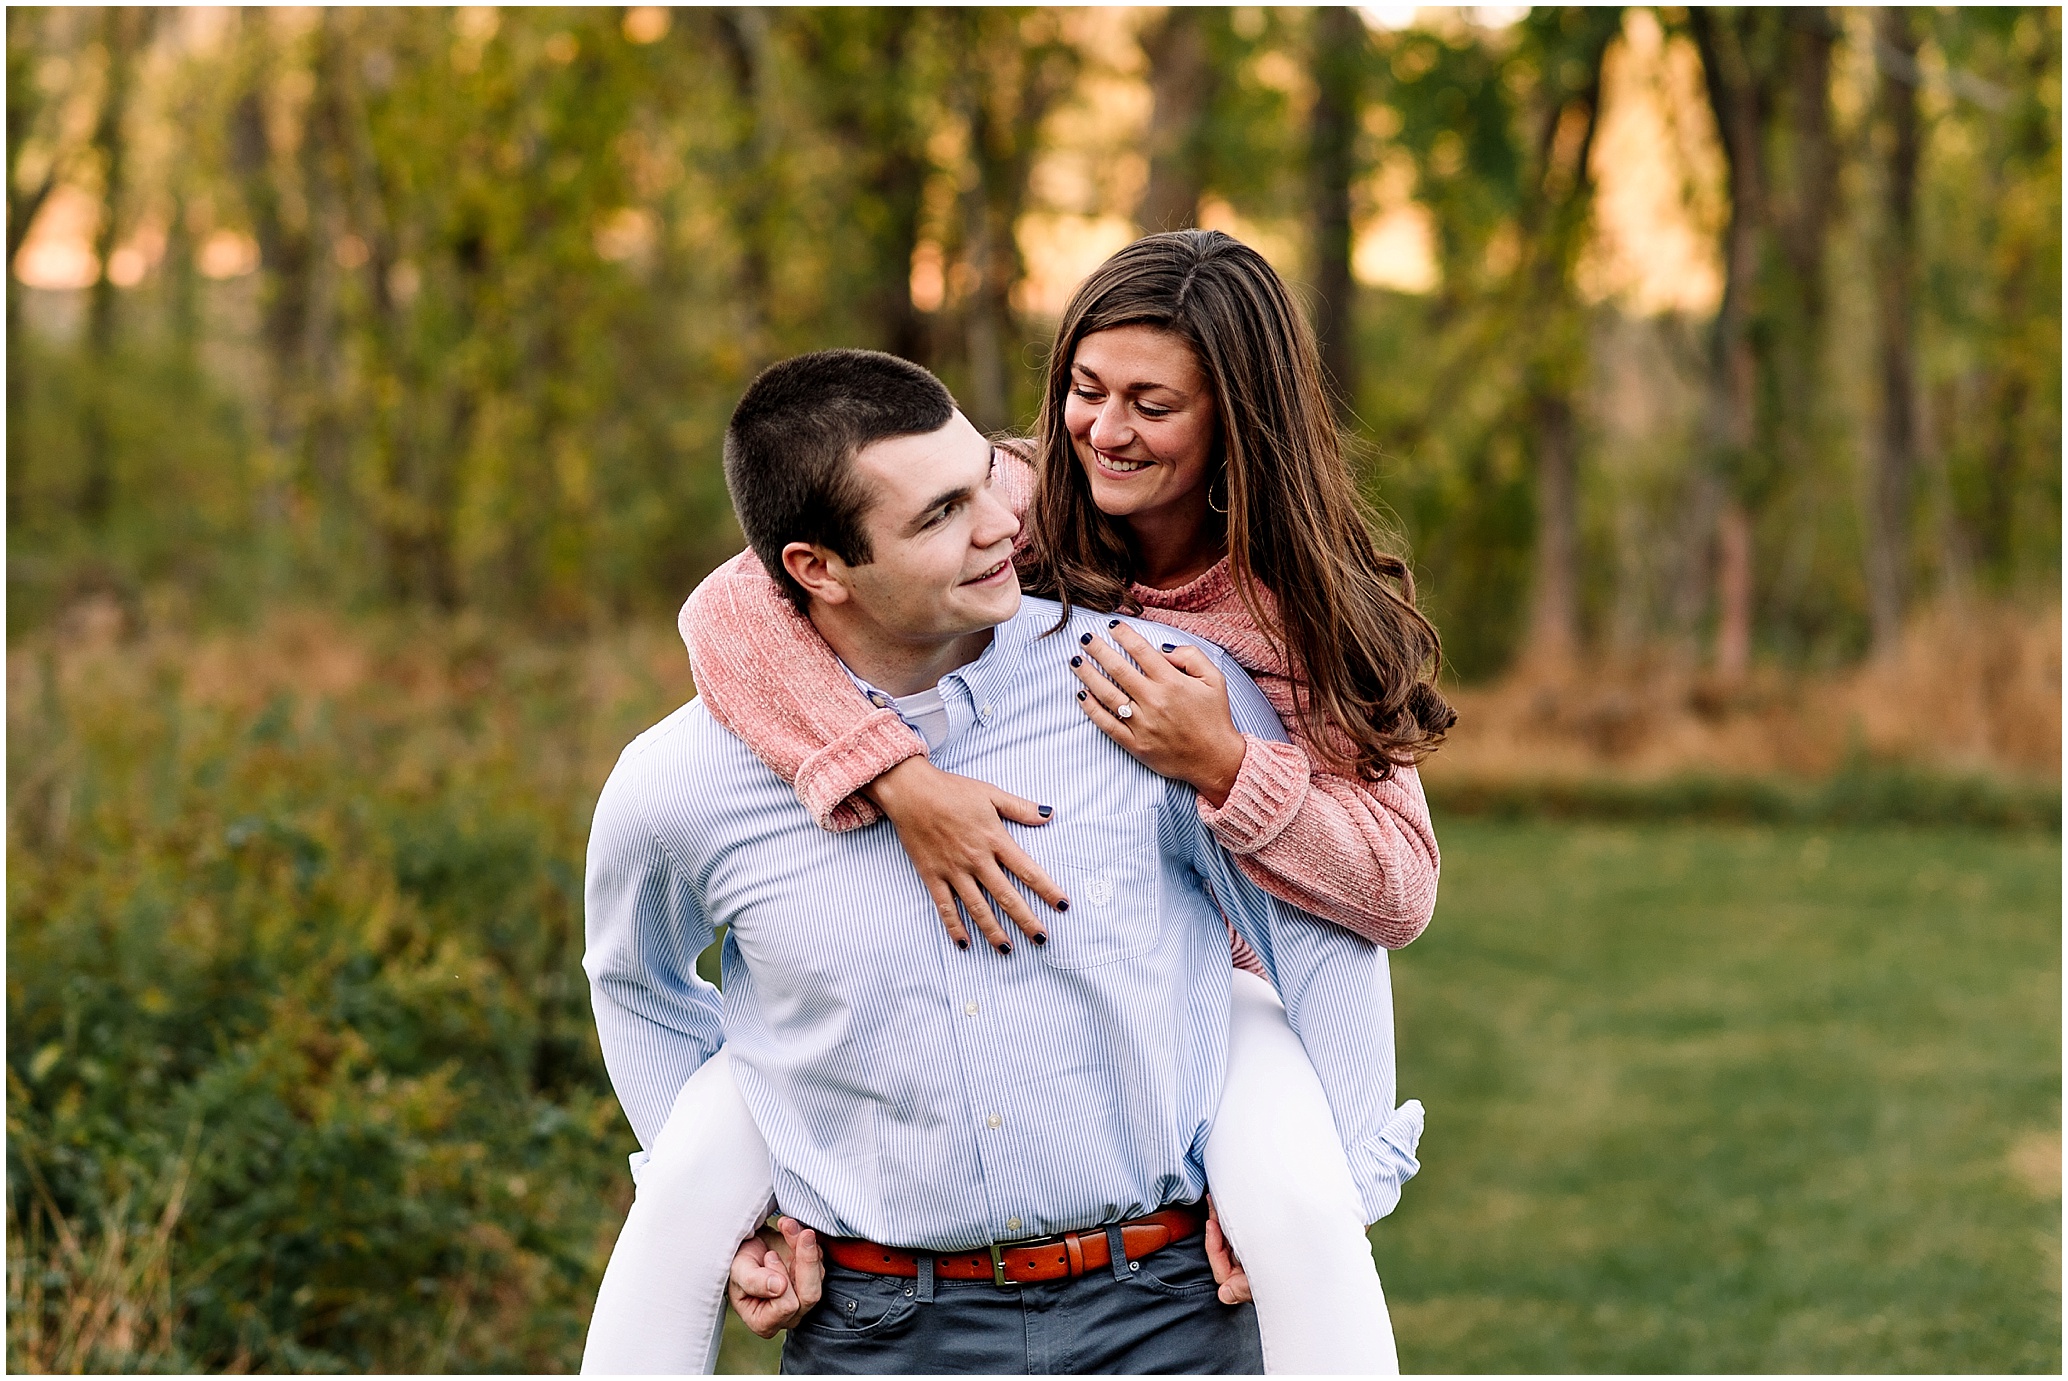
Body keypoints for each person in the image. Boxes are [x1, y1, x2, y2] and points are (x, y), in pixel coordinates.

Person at [583, 349, 1423, 1375]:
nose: (1001, 526)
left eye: (985, 477)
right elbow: (636, 980)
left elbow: (1324, 938)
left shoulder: (1156, 695)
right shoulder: (682, 785)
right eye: (938, 516)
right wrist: (742, 1205)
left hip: (1167, 1318)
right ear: (814, 569)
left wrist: (1312, 1197)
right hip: (875, 1335)